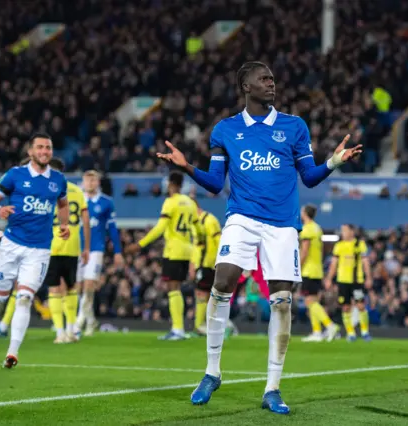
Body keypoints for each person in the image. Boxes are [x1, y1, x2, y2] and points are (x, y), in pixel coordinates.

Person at [155, 61, 361, 414]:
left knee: (282, 300)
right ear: (246, 86)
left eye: (273, 79)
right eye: (264, 79)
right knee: (223, 280)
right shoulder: (226, 130)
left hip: (282, 225)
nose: (272, 84)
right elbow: (217, 182)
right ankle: (212, 371)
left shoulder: (294, 127)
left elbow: (309, 177)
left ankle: (272, 388)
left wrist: (333, 162)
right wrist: (188, 167)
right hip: (242, 218)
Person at [0, 133, 70, 368]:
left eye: (48, 148)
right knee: (0, 297)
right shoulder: (15, 175)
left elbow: (63, 203)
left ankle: (12, 352)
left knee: (24, 298)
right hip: (11, 244)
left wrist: (64, 224)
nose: (45, 151)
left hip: (39, 250)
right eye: (40, 147)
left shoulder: (58, 179)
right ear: (30, 152)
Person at [126, 171, 199, 340]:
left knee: (173, 289)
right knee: (177, 289)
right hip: (187, 250)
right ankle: (179, 328)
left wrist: (140, 245)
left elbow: (160, 227)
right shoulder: (190, 202)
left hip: (174, 250)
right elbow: (197, 230)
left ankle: (178, 330)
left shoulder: (170, 202)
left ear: (171, 184)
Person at [43, 158, 90, 343]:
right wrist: (86, 248)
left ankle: (60, 332)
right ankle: (72, 331)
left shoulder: (46, 190)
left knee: (54, 289)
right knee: (71, 288)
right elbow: (86, 221)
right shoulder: (77, 191)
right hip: (73, 246)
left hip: (52, 246)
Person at [75, 170, 123, 338]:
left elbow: (112, 229)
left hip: (96, 248)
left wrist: (118, 251)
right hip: (76, 249)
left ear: (98, 183)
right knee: (78, 287)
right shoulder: (77, 200)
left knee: (89, 286)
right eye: (87, 180)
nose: (90, 183)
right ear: (83, 182)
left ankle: (78, 322)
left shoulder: (106, 203)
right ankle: (91, 320)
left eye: (93, 180)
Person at [299, 204, 340, 342]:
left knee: (309, 301)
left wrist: (298, 265)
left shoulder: (307, 229)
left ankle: (330, 325)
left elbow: (304, 251)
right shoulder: (318, 228)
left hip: (309, 269)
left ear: (305, 213)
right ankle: (316, 332)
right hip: (317, 269)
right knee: (314, 301)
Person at [325, 224, 372, 342]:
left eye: (345, 230)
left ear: (352, 231)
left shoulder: (359, 244)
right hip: (343, 281)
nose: (343, 233)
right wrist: (329, 278)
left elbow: (365, 262)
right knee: (346, 307)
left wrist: (369, 277)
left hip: (357, 281)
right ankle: (351, 333)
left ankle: (365, 332)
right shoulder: (339, 246)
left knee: (361, 305)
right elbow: (334, 264)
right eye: (342, 231)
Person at [190, 198, 222, 336]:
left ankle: (199, 327)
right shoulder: (195, 224)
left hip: (209, 264)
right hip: (201, 265)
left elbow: (219, 241)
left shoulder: (209, 220)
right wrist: (193, 264)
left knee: (202, 293)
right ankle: (209, 326)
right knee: (206, 295)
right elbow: (197, 246)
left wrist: (220, 262)